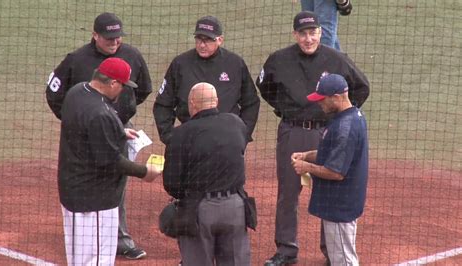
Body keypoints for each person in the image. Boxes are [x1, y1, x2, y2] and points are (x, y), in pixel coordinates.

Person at [256, 11, 369, 266]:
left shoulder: (336, 59)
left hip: (326, 132)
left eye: (313, 33)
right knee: (288, 193)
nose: (308, 39)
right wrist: (285, 109)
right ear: (295, 34)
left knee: (329, 189)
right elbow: (264, 86)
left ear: (320, 32)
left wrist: (342, 118)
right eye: (303, 34)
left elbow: (362, 87)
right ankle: (286, 250)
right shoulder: (279, 60)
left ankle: (331, 251)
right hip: (292, 131)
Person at [45, 12, 152, 259]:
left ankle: (120, 239)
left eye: (117, 38)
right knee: (106, 174)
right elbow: (54, 94)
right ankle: (98, 242)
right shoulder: (76, 59)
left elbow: (144, 89)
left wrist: (116, 121)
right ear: (95, 35)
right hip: (87, 129)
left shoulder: (132, 56)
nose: (114, 42)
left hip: (118, 125)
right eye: (108, 38)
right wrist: (81, 122)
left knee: (115, 183)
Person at [57, 57, 162, 266]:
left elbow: (83, 128)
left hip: (73, 188)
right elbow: (112, 161)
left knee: (79, 257)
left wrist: (118, 131)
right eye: (123, 85)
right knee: (95, 260)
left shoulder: (77, 92)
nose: (123, 90)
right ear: (112, 83)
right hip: (94, 199)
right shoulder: (100, 113)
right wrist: (145, 172)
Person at [162, 82, 252, 266]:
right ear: (216, 101)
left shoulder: (180, 134)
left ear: (192, 104)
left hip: (199, 209)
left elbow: (171, 183)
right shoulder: (236, 123)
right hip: (234, 207)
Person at [291, 73, 369, 265]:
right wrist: (307, 155)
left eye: (322, 99)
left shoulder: (345, 127)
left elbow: (336, 172)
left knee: (343, 260)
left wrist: (306, 167)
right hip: (340, 201)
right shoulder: (349, 116)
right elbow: (332, 152)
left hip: (340, 204)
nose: (319, 103)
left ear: (337, 97)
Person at [153, 15, 260, 145]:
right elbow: (163, 104)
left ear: (220, 40)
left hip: (227, 139)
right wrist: (169, 137)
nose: (202, 45)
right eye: (199, 39)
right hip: (190, 139)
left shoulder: (235, 64)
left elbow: (251, 102)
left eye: (208, 40)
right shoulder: (180, 64)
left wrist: (243, 134)